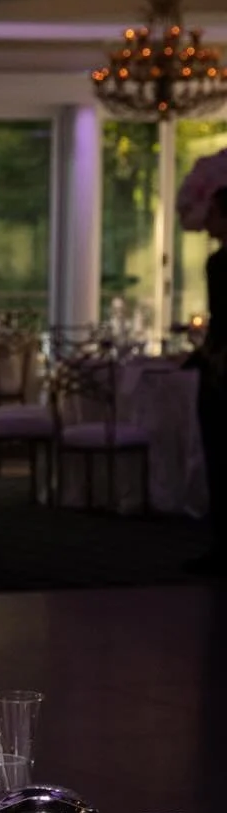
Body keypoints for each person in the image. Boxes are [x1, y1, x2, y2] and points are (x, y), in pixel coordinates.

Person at [189, 187, 227, 572]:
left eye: (213, 213)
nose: (206, 221)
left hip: (220, 373)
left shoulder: (219, 264)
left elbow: (222, 321)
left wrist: (209, 357)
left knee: (218, 456)